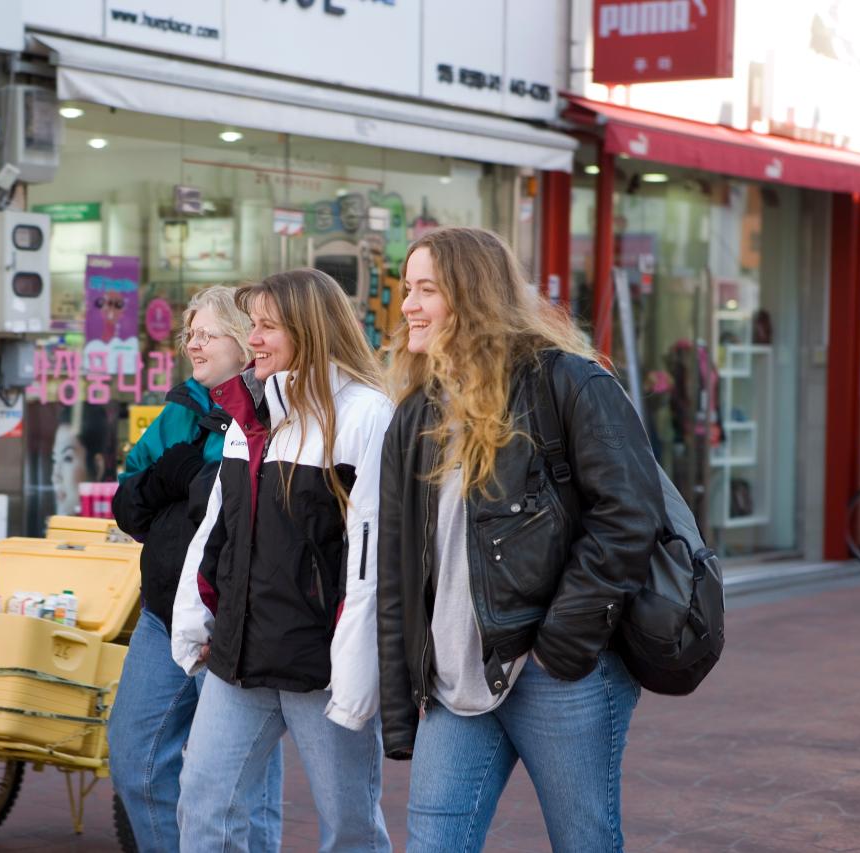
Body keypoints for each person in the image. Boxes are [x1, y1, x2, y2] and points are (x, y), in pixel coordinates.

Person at [376, 227, 663, 852]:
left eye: (428, 289)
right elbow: (400, 567)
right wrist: (406, 691)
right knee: (431, 843)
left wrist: (559, 647)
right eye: (407, 289)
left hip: (558, 674)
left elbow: (629, 515)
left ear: (472, 296)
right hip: (456, 681)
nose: (408, 306)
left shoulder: (568, 383)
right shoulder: (416, 413)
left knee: (583, 842)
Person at [172, 269, 394, 852]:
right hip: (238, 657)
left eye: (268, 327)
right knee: (203, 807)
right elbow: (217, 528)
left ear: (310, 329)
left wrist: (355, 664)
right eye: (254, 327)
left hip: (321, 668)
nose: (255, 340)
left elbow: (372, 556)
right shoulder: (252, 411)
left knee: (350, 827)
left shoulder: (367, 414)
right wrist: (201, 620)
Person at [109, 285, 283, 852]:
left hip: (238, 622)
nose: (192, 345)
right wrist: (167, 478)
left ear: (242, 340)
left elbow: (248, 510)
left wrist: (189, 482)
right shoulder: (181, 406)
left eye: (205, 334)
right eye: (190, 334)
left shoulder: (277, 409)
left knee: (242, 792)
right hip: (164, 612)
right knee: (134, 761)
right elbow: (128, 503)